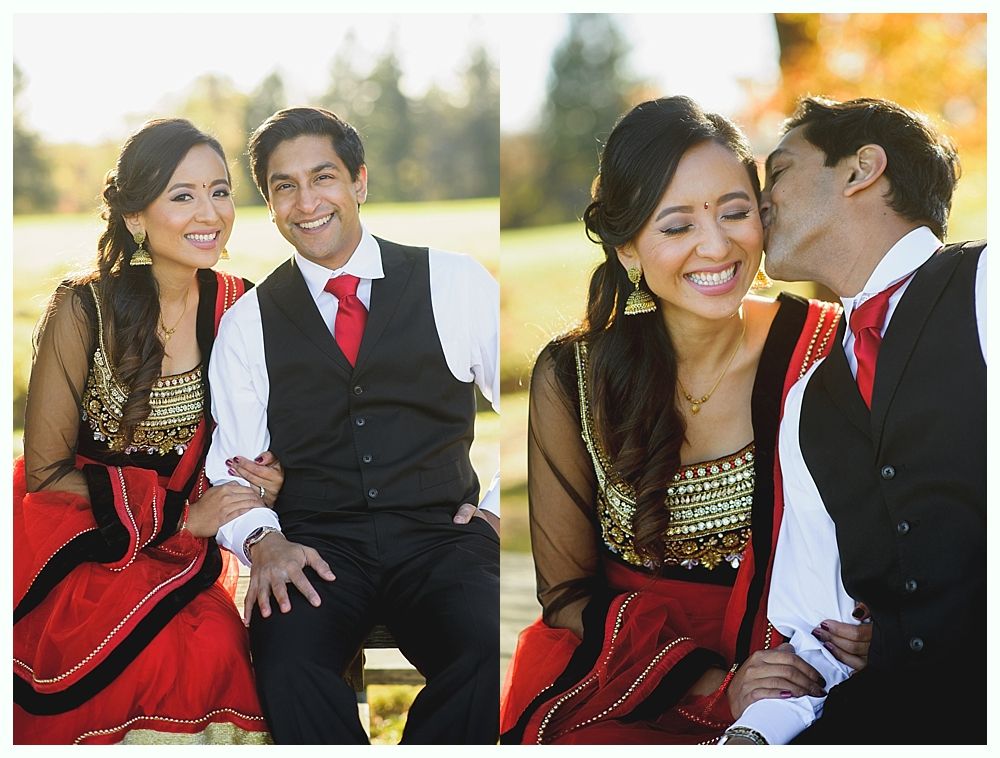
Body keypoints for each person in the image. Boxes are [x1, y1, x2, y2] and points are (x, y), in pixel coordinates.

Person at [499, 96, 872, 745]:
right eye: (676, 226)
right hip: (632, 672)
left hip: (800, 668)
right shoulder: (572, 376)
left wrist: (879, 623)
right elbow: (565, 595)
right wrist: (713, 683)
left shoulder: (827, 349)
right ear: (627, 248)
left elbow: (904, 529)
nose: (716, 244)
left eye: (735, 212)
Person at [205, 106, 500, 744]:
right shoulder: (249, 322)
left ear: (359, 181)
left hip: (441, 540)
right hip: (317, 547)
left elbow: (547, 409)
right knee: (286, 663)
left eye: (324, 177)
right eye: (285, 186)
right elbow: (230, 464)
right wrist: (263, 542)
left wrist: (500, 509)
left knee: (483, 648)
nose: (307, 201)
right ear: (270, 203)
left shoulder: (452, 281)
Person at [721, 97, 985, 745]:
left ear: (861, 169)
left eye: (778, 172)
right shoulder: (810, 399)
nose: (760, 204)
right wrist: (757, 728)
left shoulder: (987, 286)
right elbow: (820, 641)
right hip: (889, 714)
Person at [13, 119, 281, 744]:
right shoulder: (82, 308)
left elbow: (269, 437)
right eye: (181, 195)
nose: (208, 211)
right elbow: (49, 472)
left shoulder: (243, 307)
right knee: (143, 656)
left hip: (185, 548)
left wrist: (274, 474)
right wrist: (180, 519)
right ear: (136, 216)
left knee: (214, 645)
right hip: (77, 532)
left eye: (219, 190)